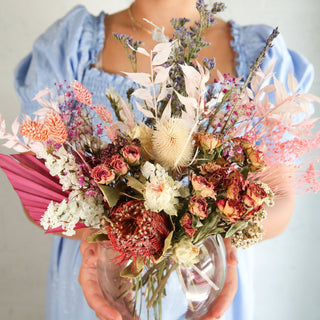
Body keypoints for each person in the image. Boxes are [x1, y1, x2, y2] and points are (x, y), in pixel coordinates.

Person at [14, 0, 314, 319]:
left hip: (206, 285)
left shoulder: (261, 54)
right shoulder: (71, 44)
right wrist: (100, 236)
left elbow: (279, 199)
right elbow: (38, 188)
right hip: (102, 285)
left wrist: (210, 232)